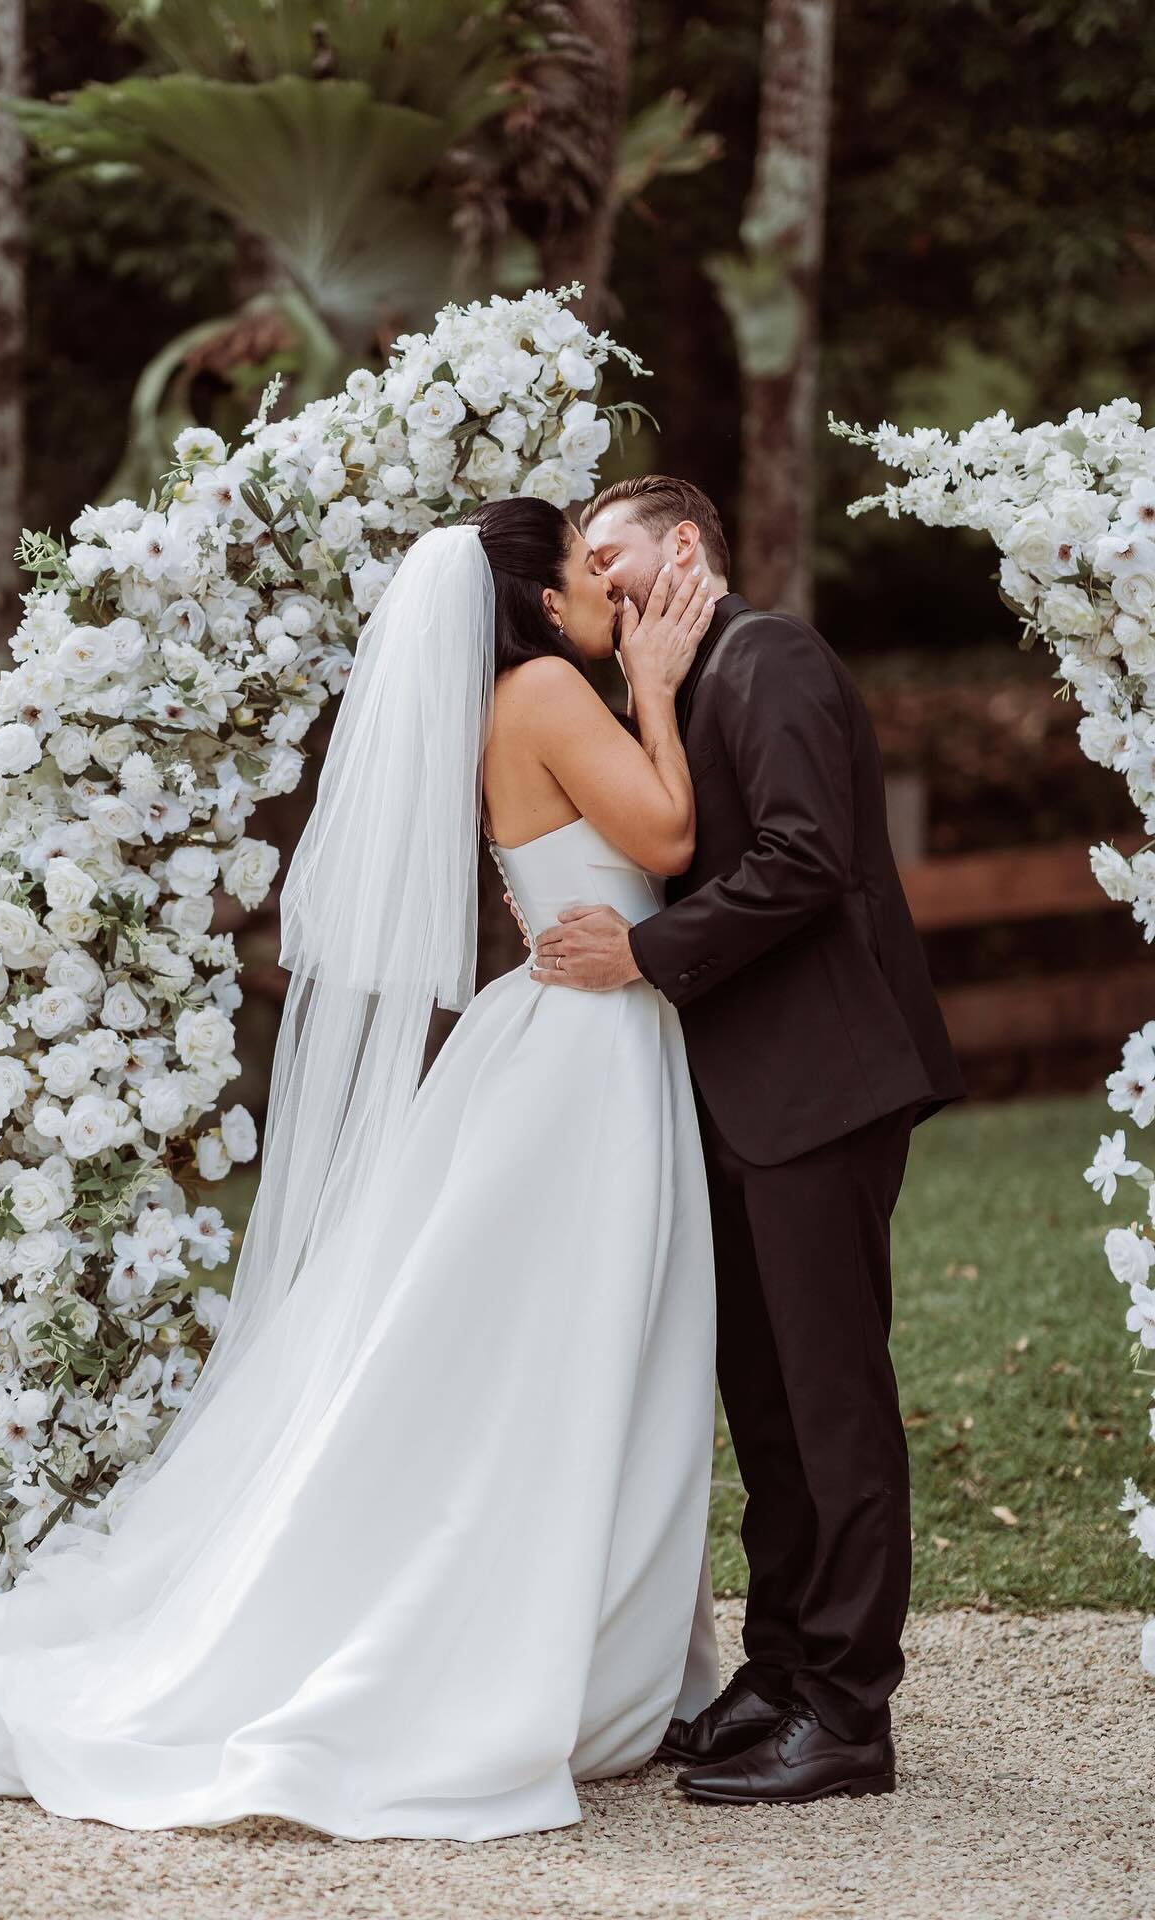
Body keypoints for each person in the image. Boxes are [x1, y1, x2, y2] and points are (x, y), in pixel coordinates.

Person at [0, 503, 726, 1843]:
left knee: (557, 1352)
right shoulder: (555, 688)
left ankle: (599, 1631)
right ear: (534, 602)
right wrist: (664, 693)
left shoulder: (513, 696)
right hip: (590, 1056)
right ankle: (562, 1641)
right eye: (583, 572)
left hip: (580, 1036)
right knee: (571, 1352)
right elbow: (669, 841)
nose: (605, 596)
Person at [523, 475, 965, 1807]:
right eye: (583, 565)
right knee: (765, 1409)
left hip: (821, 1081)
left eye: (616, 554)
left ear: (691, 547)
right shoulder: (671, 687)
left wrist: (645, 953)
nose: (600, 583)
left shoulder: (766, 655)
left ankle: (847, 1712)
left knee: (829, 1402)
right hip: (739, 1092)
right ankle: (780, 1673)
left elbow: (806, 855)